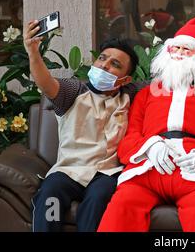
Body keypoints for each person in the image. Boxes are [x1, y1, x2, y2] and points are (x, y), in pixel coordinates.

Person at [97, 16, 195, 232]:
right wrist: (150, 146)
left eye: (187, 50)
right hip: (148, 170)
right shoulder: (146, 94)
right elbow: (129, 138)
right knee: (121, 209)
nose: (178, 53)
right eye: (174, 48)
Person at [24, 20, 144, 232]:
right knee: (49, 195)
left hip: (107, 173)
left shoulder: (130, 94)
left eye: (115, 64)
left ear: (125, 80)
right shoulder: (74, 91)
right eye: (102, 59)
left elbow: (165, 86)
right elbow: (45, 82)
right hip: (69, 170)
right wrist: (33, 52)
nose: (104, 66)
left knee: (99, 198)